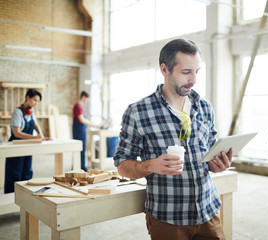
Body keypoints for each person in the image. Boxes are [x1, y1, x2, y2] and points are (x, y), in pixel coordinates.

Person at [114, 38, 233, 240]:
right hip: (168, 218)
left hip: (208, 211)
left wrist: (218, 164)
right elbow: (122, 165)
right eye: (186, 72)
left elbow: (209, 157)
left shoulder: (204, 107)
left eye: (197, 71)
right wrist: (151, 165)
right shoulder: (138, 112)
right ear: (164, 69)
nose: (193, 79)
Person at [5, 89, 47, 193]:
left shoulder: (31, 111)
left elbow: (36, 125)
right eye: (34, 100)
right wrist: (35, 138)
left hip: (27, 146)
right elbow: (17, 133)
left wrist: (40, 134)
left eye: (37, 101)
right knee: (15, 173)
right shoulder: (17, 112)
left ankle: (25, 196)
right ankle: (11, 197)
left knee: (27, 171)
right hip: (16, 146)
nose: (36, 103)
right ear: (27, 98)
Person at [72, 91, 101, 172]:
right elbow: (81, 119)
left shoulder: (80, 106)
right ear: (84, 97)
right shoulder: (78, 106)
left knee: (81, 148)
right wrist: (93, 124)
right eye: (87, 99)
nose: (87, 101)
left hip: (81, 129)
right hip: (79, 130)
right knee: (80, 148)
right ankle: (80, 167)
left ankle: (79, 166)